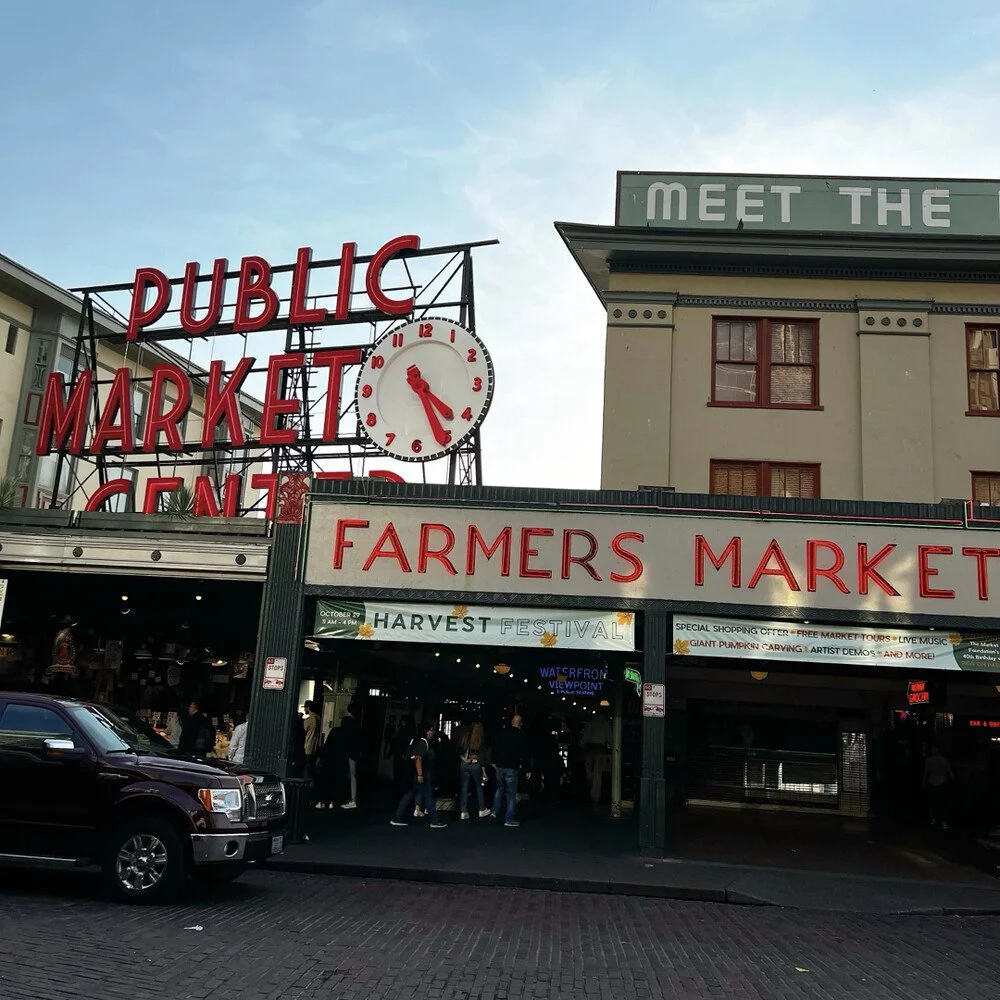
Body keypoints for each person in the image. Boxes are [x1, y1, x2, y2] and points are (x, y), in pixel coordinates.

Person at [391, 721, 447, 828]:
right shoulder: (423, 742)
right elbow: (418, 758)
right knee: (429, 796)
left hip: (414, 773)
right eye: (431, 730)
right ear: (426, 731)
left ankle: (396, 817)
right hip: (422, 773)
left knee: (409, 794)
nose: (433, 732)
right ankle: (434, 820)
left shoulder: (416, 741)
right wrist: (420, 774)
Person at [491, 715, 531, 827]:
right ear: (520, 723)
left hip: (499, 765)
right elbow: (525, 752)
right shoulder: (521, 735)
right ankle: (509, 819)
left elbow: (496, 746)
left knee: (499, 789)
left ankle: (495, 810)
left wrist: (494, 761)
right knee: (511, 794)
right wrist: (527, 768)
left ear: (511, 722)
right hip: (512, 766)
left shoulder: (503, 732)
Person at [456, 721, 492, 820]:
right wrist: (484, 771)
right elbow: (483, 758)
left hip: (464, 764)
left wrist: (464, 759)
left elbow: (459, 749)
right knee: (479, 787)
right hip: (475, 764)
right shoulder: (480, 740)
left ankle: (463, 811)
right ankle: (482, 809)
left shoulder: (466, 737)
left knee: (464, 788)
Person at [580, 710, 612, 807]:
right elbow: (610, 738)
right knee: (597, 774)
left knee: (589, 772)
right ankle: (595, 797)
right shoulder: (605, 724)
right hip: (600, 750)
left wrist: (582, 747)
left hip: (589, 750)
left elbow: (584, 738)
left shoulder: (590, 723)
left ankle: (588, 792)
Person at [924, 745, 955, 831]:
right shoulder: (943, 760)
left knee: (934, 802)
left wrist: (923, 782)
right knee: (940, 802)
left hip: (934, 782)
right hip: (941, 782)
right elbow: (950, 773)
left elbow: (926, 773)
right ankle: (941, 821)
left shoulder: (929, 760)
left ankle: (935, 820)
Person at [339, 704, 362, 810]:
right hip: (354, 753)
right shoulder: (357, 724)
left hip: (345, 752)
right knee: (353, 777)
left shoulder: (346, 721)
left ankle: (348, 798)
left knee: (346, 775)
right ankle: (353, 799)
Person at [302, 700, 321, 780]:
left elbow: (303, 731)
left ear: (308, 708)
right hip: (317, 745)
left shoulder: (308, 720)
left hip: (309, 746)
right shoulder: (319, 718)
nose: (304, 710)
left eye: (305, 708)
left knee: (308, 766)